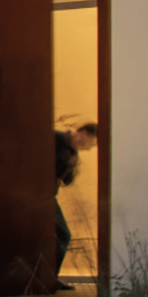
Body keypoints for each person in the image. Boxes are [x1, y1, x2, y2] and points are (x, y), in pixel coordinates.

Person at [51, 122, 99, 287]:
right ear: (84, 133)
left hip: (48, 195)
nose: (89, 147)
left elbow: (67, 181)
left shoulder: (73, 153)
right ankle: (49, 278)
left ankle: (50, 277)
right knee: (63, 235)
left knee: (62, 235)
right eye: (91, 142)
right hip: (41, 194)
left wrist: (71, 166)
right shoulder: (55, 138)